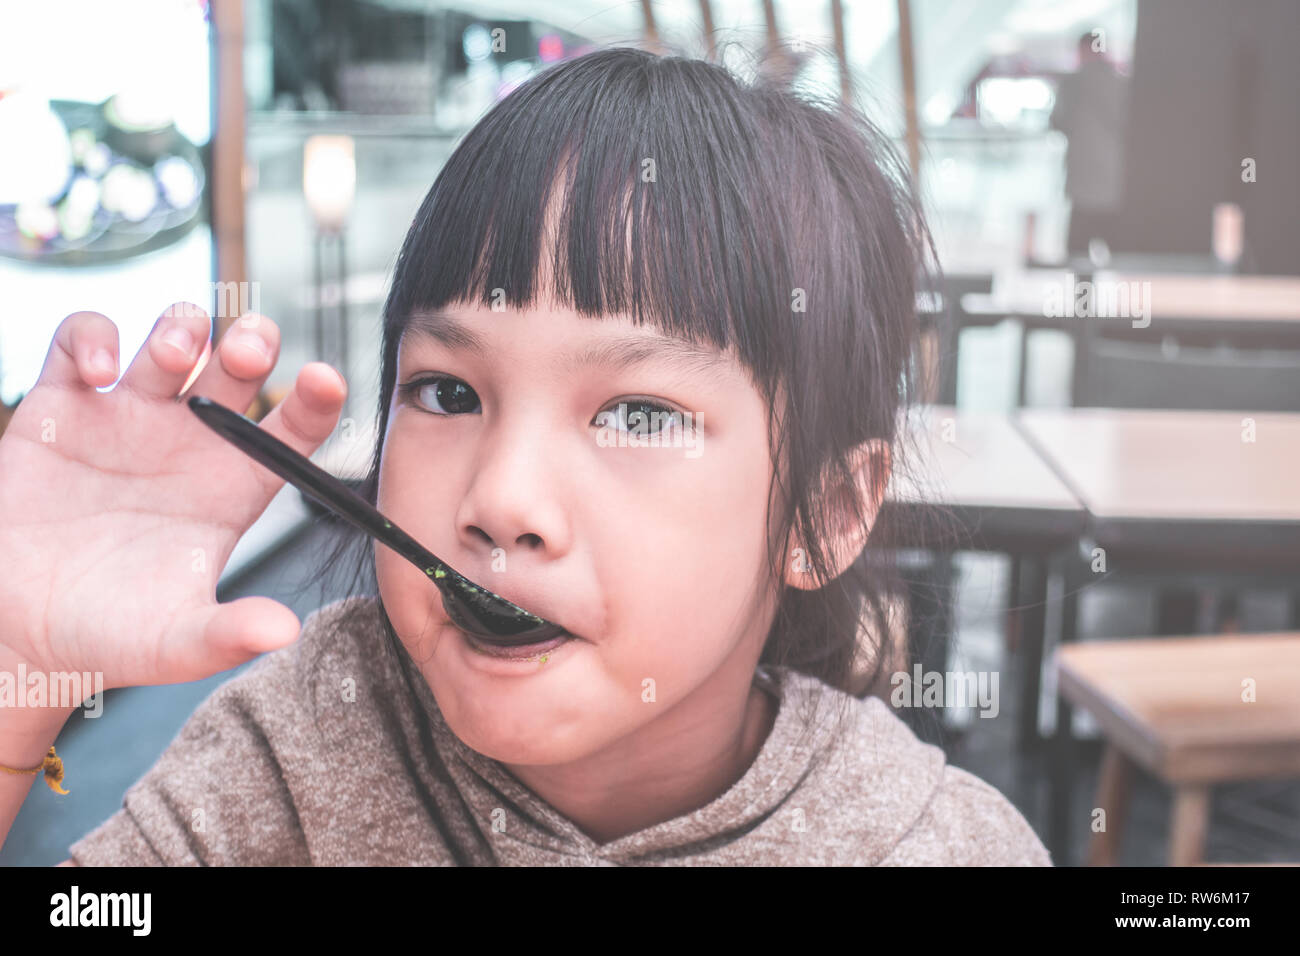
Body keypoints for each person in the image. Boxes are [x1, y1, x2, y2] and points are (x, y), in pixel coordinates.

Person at [0, 48, 1050, 866]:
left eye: (637, 413)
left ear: (823, 510)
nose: (501, 498)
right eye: (448, 392)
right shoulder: (299, 746)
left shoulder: (928, 844)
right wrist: (15, 669)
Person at [1050, 31, 1129, 255]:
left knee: (1078, 257)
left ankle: (1083, 292)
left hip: (1082, 185)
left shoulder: (1073, 83)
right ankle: (1126, 291)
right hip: (1116, 184)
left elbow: (1058, 122)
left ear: (1083, 50)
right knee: (1120, 256)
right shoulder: (1122, 83)